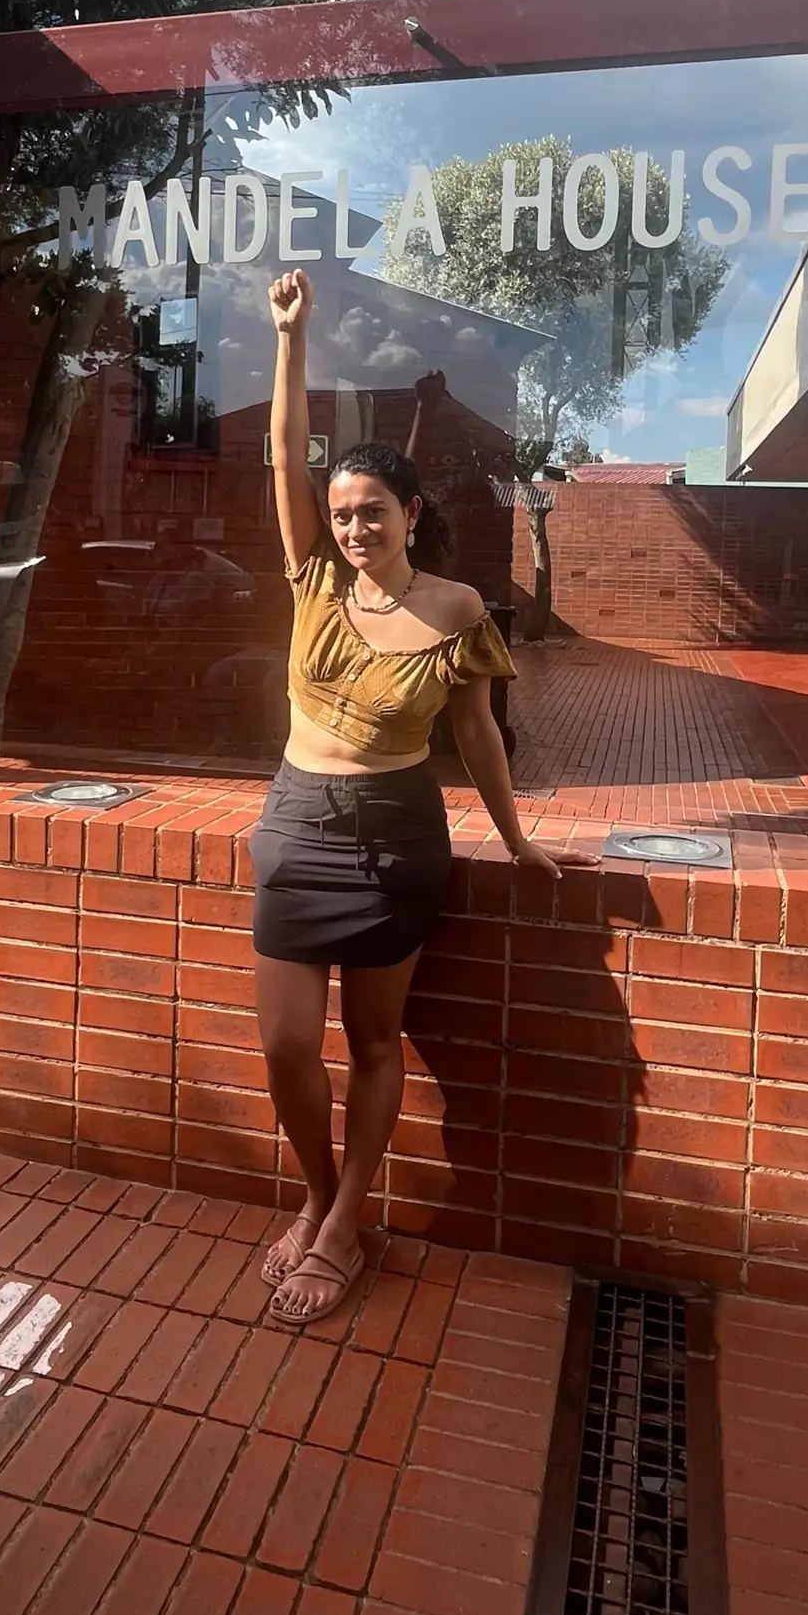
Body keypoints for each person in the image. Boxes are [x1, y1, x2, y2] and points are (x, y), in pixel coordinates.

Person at [253, 268, 588, 1327]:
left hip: (398, 836)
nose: (354, 528)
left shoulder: (458, 613)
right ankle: (315, 1190)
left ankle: (347, 1221)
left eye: (372, 513)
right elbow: (281, 452)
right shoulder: (312, 578)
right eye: (342, 512)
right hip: (299, 824)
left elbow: (479, 734)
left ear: (412, 514)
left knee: (378, 1042)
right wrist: (289, 342)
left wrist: (518, 841)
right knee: (286, 1045)